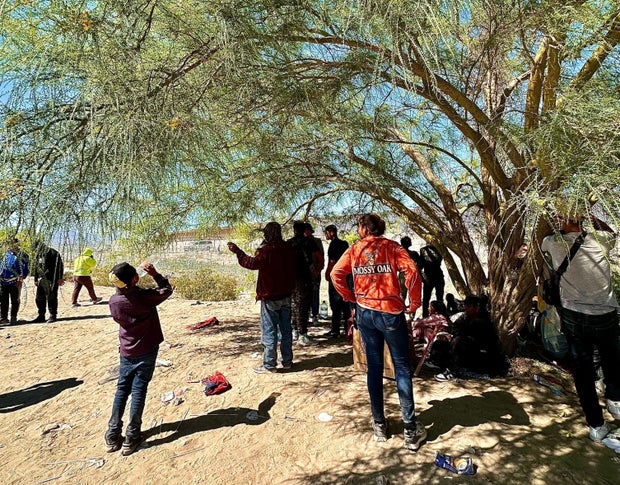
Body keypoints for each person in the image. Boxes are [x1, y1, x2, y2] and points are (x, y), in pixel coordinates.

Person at [331, 213, 427, 452]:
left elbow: (335, 274)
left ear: (364, 228)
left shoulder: (355, 250)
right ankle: (410, 431)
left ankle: (379, 426)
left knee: (374, 368)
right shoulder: (392, 248)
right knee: (402, 367)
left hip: (365, 314)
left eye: (359, 226)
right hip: (390, 313)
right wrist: (414, 303)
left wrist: (350, 297)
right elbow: (413, 273)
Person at [541, 212, 620, 443]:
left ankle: (596, 425)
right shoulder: (601, 239)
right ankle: (615, 399)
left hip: (574, 316)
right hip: (604, 312)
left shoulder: (553, 243)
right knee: (612, 359)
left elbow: (543, 237)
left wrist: (559, 223)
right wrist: (589, 215)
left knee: (583, 372)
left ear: (562, 221)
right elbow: (611, 232)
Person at [105, 261, 173, 456]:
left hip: (126, 351)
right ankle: (132, 435)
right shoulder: (142, 297)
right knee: (138, 390)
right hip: (147, 349)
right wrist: (155, 273)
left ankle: (112, 434)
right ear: (134, 279)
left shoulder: (114, 301)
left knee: (122, 389)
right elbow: (166, 290)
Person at [228, 222, 297, 373]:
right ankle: (287, 361)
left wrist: (238, 251)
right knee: (286, 330)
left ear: (268, 234)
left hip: (270, 296)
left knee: (269, 331)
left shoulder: (266, 251)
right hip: (286, 295)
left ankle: (269, 364)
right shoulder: (288, 249)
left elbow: (251, 263)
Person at [436, 295, 505, 380]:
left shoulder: (485, 320)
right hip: (466, 348)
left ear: (477, 307)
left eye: (468, 306)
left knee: (458, 342)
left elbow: (483, 340)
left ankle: (456, 371)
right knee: (441, 343)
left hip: (481, 352)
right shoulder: (465, 317)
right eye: (465, 306)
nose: (466, 309)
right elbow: (456, 328)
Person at [288, 221, 321, 345]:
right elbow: (319, 257)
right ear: (303, 230)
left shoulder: (289, 243)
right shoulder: (309, 242)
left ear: (294, 230)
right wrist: (316, 271)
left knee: (294, 304)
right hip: (305, 278)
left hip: (291, 279)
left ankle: (295, 331)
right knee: (304, 306)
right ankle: (302, 334)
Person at [323, 224, 351, 338]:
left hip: (336, 277)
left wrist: (328, 274)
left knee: (335, 304)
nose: (326, 235)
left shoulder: (333, 245)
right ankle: (347, 329)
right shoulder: (345, 244)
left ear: (331, 232)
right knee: (345, 303)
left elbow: (332, 262)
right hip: (346, 276)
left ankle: (335, 330)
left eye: (326, 233)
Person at [30, 241, 65, 323]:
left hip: (52, 279)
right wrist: (35, 279)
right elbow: (37, 268)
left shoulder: (54, 253)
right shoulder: (39, 255)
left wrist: (60, 278)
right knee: (39, 298)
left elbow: (60, 266)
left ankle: (53, 315)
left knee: (51, 297)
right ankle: (41, 315)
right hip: (40, 280)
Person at [0, 237, 30, 325]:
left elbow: (25, 269)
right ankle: (3, 318)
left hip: (15, 281)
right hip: (3, 281)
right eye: (10, 244)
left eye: (13, 244)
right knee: (3, 300)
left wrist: (20, 279)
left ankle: (13, 317)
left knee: (15, 300)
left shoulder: (23, 255)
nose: (11, 246)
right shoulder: (5, 254)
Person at [304, 223, 325, 326]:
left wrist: (318, 270)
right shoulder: (301, 241)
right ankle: (305, 315)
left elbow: (321, 256)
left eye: (307, 230)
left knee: (315, 294)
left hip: (315, 272)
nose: (306, 232)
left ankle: (315, 315)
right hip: (303, 274)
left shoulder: (316, 241)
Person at [419, 241, 445, 317]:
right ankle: (426, 317)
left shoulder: (439, 249)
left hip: (436, 276)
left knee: (438, 298)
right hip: (430, 277)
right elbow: (421, 265)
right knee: (427, 299)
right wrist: (424, 278)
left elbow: (421, 265)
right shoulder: (424, 250)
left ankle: (440, 316)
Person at [399, 236, 420, 307]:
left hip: (403, 275)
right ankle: (411, 316)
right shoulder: (414, 254)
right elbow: (420, 265)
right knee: (412, 295)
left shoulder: (399, 254)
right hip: (412, 275)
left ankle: (401, 313)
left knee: (402, 295)